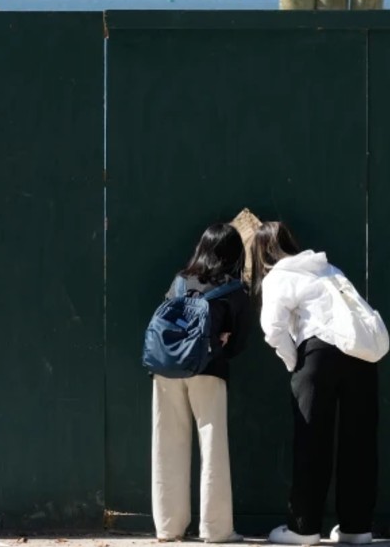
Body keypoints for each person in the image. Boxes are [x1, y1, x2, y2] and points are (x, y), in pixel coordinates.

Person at [252, 222, 379, 546]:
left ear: (262, 251)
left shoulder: (279, 275)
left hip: (319, 352)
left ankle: (303, 529)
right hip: (361, 354)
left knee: (312, 440)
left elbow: (273, 328)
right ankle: (356, 529)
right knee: (358, 441)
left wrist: (294, 362)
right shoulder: (327, 269)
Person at [151, 223, 252, 543]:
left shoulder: (180, 280)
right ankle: (216, 530)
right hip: (208, 369)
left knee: (166, 447)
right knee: (213, 448)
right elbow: (238, 345)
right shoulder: (233, 289)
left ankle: (168, 528)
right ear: (235, 254)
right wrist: (221, 343)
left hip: (166, 370)